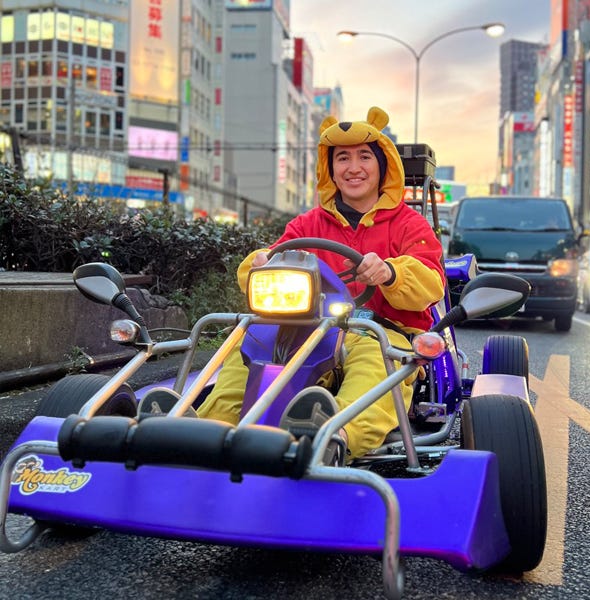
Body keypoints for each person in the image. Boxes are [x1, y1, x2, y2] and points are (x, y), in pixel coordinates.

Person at [181, 107, 445, 466]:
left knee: (375, 364)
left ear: (382, 165)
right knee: (252, 346)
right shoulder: (308, 224)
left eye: (364, 156)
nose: (353, 167)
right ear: (330, 168)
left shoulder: (409, 225)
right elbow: (275, 257)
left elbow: (431, 281)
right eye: (343, 158)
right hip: (307, 328)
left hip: (379, 330)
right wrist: (261, 262)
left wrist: (390, 272)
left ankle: (335, 436)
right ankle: (204, 434)